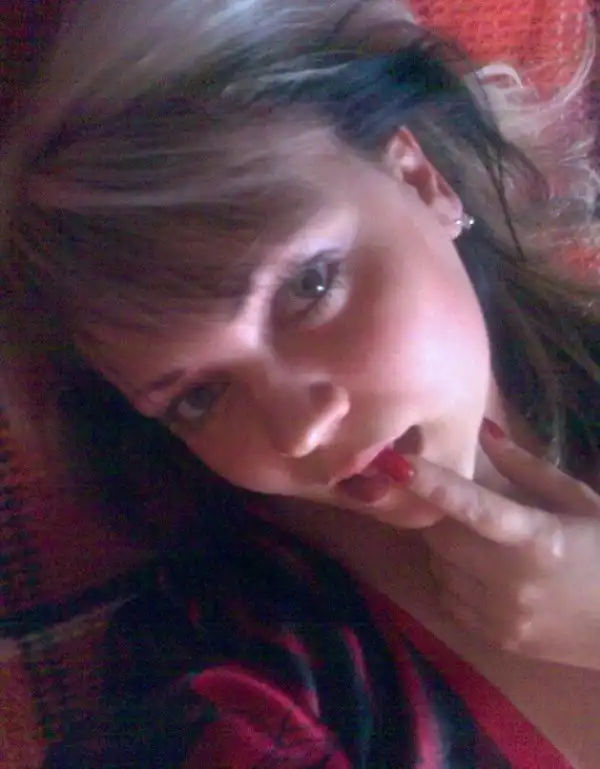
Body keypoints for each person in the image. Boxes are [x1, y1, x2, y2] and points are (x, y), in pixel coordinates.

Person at [1, 0, 600, 766]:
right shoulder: (235, 674)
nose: (297, 430)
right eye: (198, 396)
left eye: (309, 286)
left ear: (422, 180)